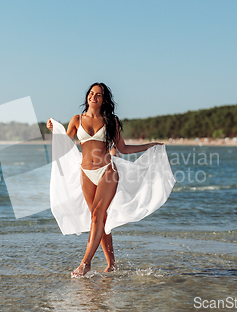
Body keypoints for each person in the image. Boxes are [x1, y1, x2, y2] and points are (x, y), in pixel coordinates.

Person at [46, 83, 173, 277]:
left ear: (104, 99)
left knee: (98, 215)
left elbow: (122, 149)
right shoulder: (76, 120)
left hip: (107, 171)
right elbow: (65, 147)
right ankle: (111, 264)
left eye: (98, 94)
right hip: (85, 173)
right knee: (99, 220)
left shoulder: (111, 120)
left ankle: (85, 263)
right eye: (91, 93)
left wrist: (150, 145)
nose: (93, 97)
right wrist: (54, 130)